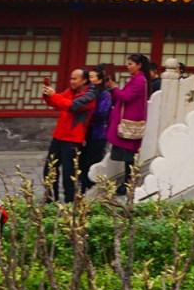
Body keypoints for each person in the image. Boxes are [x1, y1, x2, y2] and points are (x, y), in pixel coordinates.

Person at [39, 68, 95, 203]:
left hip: (73, 139)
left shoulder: (89, 96)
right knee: (49, 168)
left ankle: (70, 201)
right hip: (59, 136)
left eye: (75, 79)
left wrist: (54, 95)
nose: (71, 81)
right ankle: (50, 198)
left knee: (68, 173)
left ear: (84, 80)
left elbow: (71, 106)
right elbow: (56, 103)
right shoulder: (70, 91)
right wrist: (47, 95)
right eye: (71, 78)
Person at [105, 54, 152, 192]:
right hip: (129, 120)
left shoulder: (139, 80)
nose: (128, 66)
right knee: (128, 154)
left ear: (139, 65)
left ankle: (128, 183)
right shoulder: (137, 79)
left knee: (129, 155)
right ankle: (127, 182)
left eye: (131, 64)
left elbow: (126, 97)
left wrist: (114, 88)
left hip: (130, 122)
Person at [79, 64, 113, 194]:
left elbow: (102, 113)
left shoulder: (105, 94)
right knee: (82, 159)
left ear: (99, 79)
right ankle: (83, 185)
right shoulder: (87, 92)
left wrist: (86, 113)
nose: (90, 79)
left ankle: (92, 186)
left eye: (92, 77)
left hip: (97, 132)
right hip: (84, 131)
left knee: (93, 159)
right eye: (89, 77)